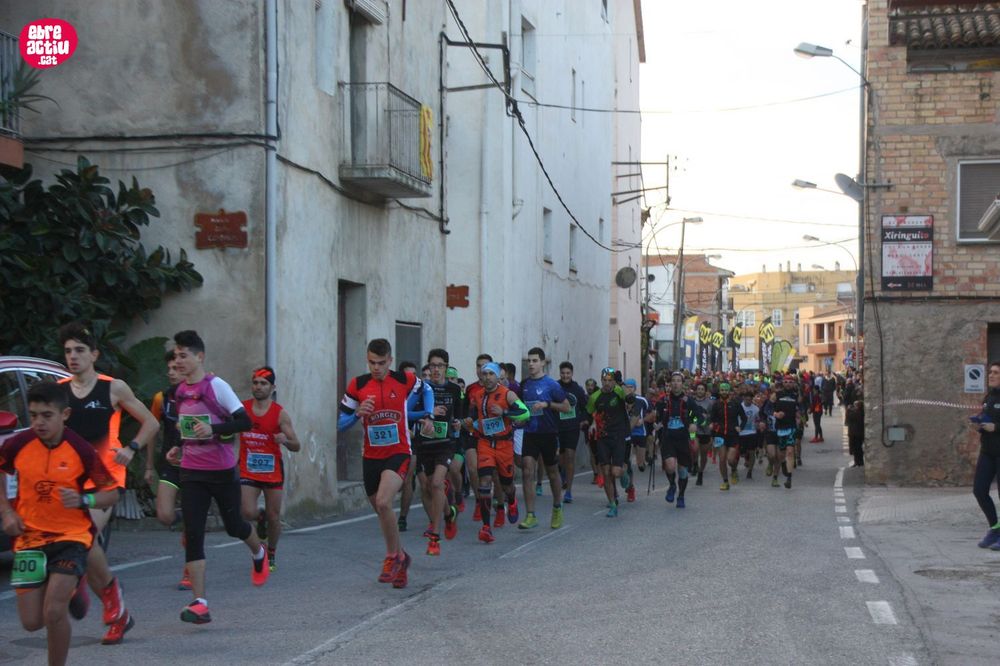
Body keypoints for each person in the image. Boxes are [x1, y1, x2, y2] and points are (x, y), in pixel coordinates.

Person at [0, 382, 119, 666]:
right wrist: (6, 512)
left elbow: (111, 493)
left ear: (64, 414)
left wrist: (84, 499)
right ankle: (70, 586)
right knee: (32, 622)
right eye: (33, 415)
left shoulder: (81, 449)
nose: (39, 423)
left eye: (47, 415)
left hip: (71, 537)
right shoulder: (18, 444)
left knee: (54, 612)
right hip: (29, 539)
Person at [57, 322, 159, 643]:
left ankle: (98, 590)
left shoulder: (113, 388)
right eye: (68, 351)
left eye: (79, 350)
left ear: (94, 355)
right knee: (82, 550)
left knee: (84, 535)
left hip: (104, 480)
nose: (73, 357)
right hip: (69, 481)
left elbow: (151, 422)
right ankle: (118, 612)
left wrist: (131, 448)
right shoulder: (58, 390)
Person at [167, 330, 270, 623]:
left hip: (221, 470)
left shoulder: (217, 386)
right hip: (191, 470)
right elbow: (187, 427)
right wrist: (177, 447)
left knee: (234, 526)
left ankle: (258, 551)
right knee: (193, 533)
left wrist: (213, 429)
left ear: (199, 357)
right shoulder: (179, 392)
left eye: (184, 356)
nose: (178, 361)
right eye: (176, 356)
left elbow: (244, 422)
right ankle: (199, 602)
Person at [338, 338, 432, 587]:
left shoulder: (404, 379)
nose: (376, 368)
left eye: (381, 363)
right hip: (371, 456)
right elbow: (340, 424)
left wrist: (429, 415)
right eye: (372, 363)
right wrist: (357, 414)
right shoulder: (358, 384)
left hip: (398, 452)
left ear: (390, 361)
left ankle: (391, 557)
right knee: (382, 510)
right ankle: (401, 557)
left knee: (383, 501)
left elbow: (427, 390)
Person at [239, 367, 300, 572]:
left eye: (263, 383)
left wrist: (285, 440)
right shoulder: (242, 409)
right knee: (247, 512)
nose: (258, 387)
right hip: (248, 469)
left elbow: (297, 445)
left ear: (272, 387)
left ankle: (271, 552)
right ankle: (260, 517)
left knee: (274, 517)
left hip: (272, 471)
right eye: (255, 383)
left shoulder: (279, 414)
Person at [465, 362, 529, 542]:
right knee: (485, 482)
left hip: (504, 445)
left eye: (490, 374)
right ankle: (486, 527)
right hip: (485, 443)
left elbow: (525, 413)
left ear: (497, 376)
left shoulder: (508, 394)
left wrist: (504, 412)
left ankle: (512, 499)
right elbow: (476, 419)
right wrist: (469, 423)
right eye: (484, 374)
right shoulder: (477, 395)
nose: (487, 377)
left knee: (507, 484)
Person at [413, 349, 464, 554]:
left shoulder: (454, 390)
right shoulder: (421, 389)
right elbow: (410, 413)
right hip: (424, 444)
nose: (436, 369)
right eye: (432, 365)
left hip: (445, 443)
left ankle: (434, 537)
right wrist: (427, 414)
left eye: (440, 366)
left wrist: (458, 423)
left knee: (436, 483)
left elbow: (459, 415)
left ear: (446, 367)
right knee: (427, 487)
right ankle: (449, 513)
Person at [148, 349, 190, 590]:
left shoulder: (201, 395)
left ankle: (189, 571)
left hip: (196, 464)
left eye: (176, 368)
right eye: (169, 369)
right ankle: (186, 521)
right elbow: (152, 429)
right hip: (170, 464)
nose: (171, 373)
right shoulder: (161, 399)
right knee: (164, 515)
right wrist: (148, 466)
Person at [519, 348, 571, 530]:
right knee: (527, 471)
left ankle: (557, 507)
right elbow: (521, 409)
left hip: (548, 433)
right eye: (529, 361)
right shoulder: (524, 385)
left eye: (535, 361)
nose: (531, 364)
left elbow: (566, 407)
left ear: (542, 362)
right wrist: (519, 419)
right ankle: (530, 515)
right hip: (530, 433)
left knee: (552, 472)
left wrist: (547, 404)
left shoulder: (551, 384)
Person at [648, 372, 700, 508]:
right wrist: (656, 423)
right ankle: (672, 485)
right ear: (670, 384)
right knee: (670, 467)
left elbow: (697, 415)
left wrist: (694, 423)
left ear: (682, 384)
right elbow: (656, 417)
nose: (676, 383)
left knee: (682, 471)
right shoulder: (663, 401)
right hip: (668, 438)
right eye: (674, 381)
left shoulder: (689, 401)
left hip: (683, 439)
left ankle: (681, 495)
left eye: (678, 381)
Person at [587, 368, 633, 516]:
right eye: (604, 380)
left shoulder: (619, 391)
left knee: (616, 472)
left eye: (610, 380)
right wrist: (592, 423)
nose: (607, 383)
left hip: (618, 436)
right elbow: (590, 412)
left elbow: (630, 401)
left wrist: (628, 393)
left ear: (614, 381)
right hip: (603, 438)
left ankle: (624, 473)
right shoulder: (595, 397)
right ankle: (612, 504)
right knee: (606, 472)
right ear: (601, 381)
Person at [972, 362, 1000, 550]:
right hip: (988, 451)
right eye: (990, 372)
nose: (991, 375)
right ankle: (995, 528)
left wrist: (995, 427)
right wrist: (979, 423)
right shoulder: (989, 396)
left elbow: (995, 424)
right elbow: (987, 417)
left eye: (996, 373)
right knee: (979, 490)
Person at [556, 361, 589, 504]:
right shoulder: (555, 387)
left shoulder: (577, 389)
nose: (565, 376)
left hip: (572, 428)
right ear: (560, 374)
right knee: (559, 457)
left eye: (568, 373)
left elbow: (585, 407)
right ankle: (562, 472)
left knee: (570, 456)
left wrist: (582, 420)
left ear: (572, 374)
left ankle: (568, 491)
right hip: (557, 428)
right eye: (563, 373)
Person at [395, 361, 419, 532]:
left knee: (408, 477)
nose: (412, 378)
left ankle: (402, 517)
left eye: (414, 375)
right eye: (408, 375)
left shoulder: (421, 393)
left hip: (414, 440)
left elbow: (427, 414)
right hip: (394, 440)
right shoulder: (394, 392)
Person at [709, 382, 741, 490]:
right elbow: (712, 418)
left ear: (729, 391)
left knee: (730, 460)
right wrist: (712, 424)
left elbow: (744, 417)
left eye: (726, 390)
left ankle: (734, 469)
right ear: (719, 391)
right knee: (722, 459)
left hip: (733, 435)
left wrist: (740, 426)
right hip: (720, 434)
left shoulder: (735, 404)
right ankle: (725, 481)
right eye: (722, 390)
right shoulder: (716, 404)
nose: (724, 392)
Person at [623, 378, 649, 503]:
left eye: (631, 387)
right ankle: (630, 488)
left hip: (640, 433)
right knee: (627, 462)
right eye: (627, 387)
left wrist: (643, 420)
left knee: (640, 464)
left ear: (635, 388)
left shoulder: (642, 400)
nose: (629, 389)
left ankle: (642, 463)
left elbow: (652, 413)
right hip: (626, 435)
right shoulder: (621, 400)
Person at [690, 382, 715, 486]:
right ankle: (695, 463)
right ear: (696, 390)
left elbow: (713, 416)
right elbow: (688, 413)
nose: (700, 391)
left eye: (702, 389)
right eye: (698, 389)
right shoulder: (691, 401)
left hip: (706, 431)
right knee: (694, 448)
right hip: (693, 430)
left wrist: (710, 421)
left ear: (705, 391)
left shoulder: (710, 403)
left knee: (704, 455)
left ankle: (700, 473)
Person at [846, 398, 864, 467]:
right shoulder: (859, 412)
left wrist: (848, 409)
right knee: (856, 448)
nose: (854, 407)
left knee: (857, 449)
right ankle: (858, 462)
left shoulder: (858, 413)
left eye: (855, 405)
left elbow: (849, 417)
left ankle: (859, 462)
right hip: (856, 433)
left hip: (856, 434)